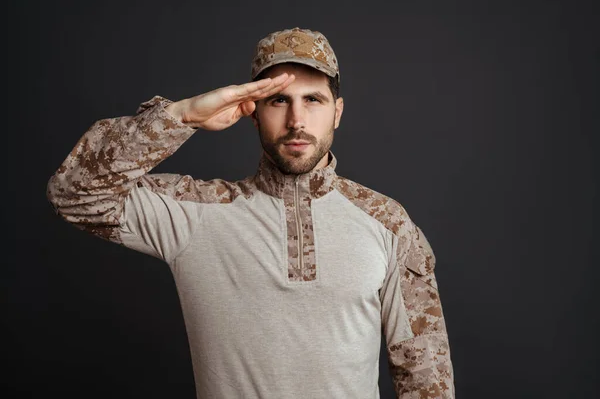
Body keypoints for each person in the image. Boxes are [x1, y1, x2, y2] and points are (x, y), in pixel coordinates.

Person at [47, 27, 455, 398]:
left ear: (338, 111)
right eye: (278, 100)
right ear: (253, 111)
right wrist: (182, 116)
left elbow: (424, 372)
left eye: (313, 99)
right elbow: (74, 193)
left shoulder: (387, 222)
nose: (297, 120)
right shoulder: (196, 213)